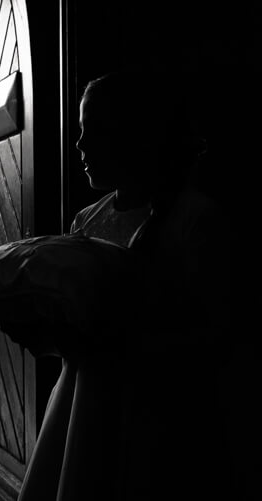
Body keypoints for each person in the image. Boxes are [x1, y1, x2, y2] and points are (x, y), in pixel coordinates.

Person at [17, 71, 232, 501]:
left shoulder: (196, 220)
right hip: (81, 401)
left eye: (92, 130)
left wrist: (118, 343)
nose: (79, 145)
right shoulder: (87, 220)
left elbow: (217, 334)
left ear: (135, 135)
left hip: (162, 407)